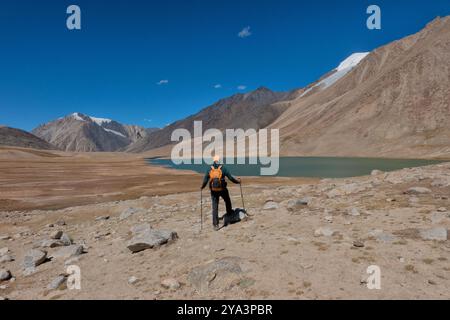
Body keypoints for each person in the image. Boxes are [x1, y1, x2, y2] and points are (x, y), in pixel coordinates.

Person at [201, 156, 241, 231]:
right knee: (227, 200)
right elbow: (231, 178)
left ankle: (215, 224)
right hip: (222, 189)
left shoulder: (209, 169)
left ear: (213, 161)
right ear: (219, 160)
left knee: (215, 206)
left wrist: (202, 187)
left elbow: (205, 180)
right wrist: (238, 182)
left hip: (213, 191)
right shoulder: (223, 168)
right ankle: (229, 212)